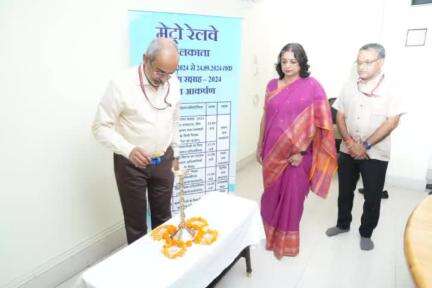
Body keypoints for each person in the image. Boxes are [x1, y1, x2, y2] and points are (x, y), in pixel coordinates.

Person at [92, 38, 181, 244]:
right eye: (160, 72)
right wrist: (128, 149)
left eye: (170, 73)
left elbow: (174, 120)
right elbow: (100, 127)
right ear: (145, 59)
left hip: (163, 161)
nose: (165, 79)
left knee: (164, 220)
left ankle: (164, 265)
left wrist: (175, 153)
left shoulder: (173, 82)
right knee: (136, 224)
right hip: (131, 165)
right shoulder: (121, 84)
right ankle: (140, 271)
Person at [257, 43, 337, 258]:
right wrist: (259, 145)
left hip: (298, 157)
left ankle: (284, 243)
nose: (288, 66)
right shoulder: (272, 85)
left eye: (293, 61)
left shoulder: (312, 86)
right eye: (284, 61)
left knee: (292, 200)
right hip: (272, 152)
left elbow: (321, 124)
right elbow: (266, 116)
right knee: (271, 196)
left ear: (302, 62)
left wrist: (301, 152)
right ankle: (270, 236)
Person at [326, 43, 405, 250]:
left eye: (367, 62)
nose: (362, 67)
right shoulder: (349, 85)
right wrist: (350, 143)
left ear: (381, 62)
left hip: (376, 154)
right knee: (344, 192)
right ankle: (342, 225)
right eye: (359, 62)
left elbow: (392, 121)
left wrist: (366, 145)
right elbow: (340, 115)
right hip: (347, 149)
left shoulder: (392, 88)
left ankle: (366, 232)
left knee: (372, 196)